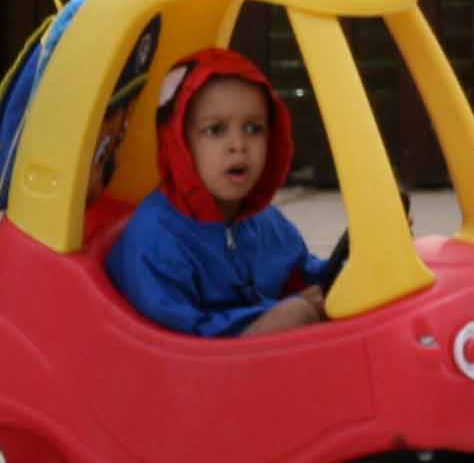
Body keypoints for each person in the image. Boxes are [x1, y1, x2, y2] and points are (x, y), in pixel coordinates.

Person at [103, 48, 340, 338]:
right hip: (194, 358)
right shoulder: (155, 238)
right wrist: (276, 313)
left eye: (253, 129)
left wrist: (341, 270)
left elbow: (301, 271)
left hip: (247, 348)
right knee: (297, 313)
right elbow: (176, 337)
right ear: (180, 142)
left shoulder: (265, 222)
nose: (238, 145)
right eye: (215, 130)